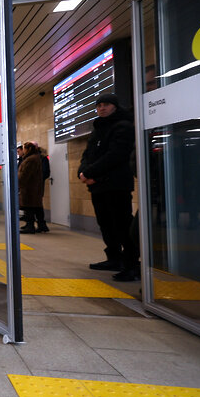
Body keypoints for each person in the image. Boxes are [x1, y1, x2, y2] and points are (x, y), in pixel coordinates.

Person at [77, 92, 136, 279]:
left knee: (122, 225)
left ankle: (131, 265)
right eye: (99, 105)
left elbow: (115, 156)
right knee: (106, 224)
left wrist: (90, 174)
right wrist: (83, 171)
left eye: (106, 104)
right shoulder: (98, 129)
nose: (102, 108)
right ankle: (114, 258)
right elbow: (87, 154)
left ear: (115, 107)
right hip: (98, 186)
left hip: (116, 186)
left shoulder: (123, 127)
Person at [18, 142, 44, 234]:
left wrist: (18, 182)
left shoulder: (31, 159)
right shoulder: (33, 158)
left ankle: (30, 226)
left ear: (28, 149)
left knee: (29, 207)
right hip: (32, 187)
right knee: (33, 207)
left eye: (24, 148)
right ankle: (36, 225)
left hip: (29, 187)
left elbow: (25, 174)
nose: (23, 150)